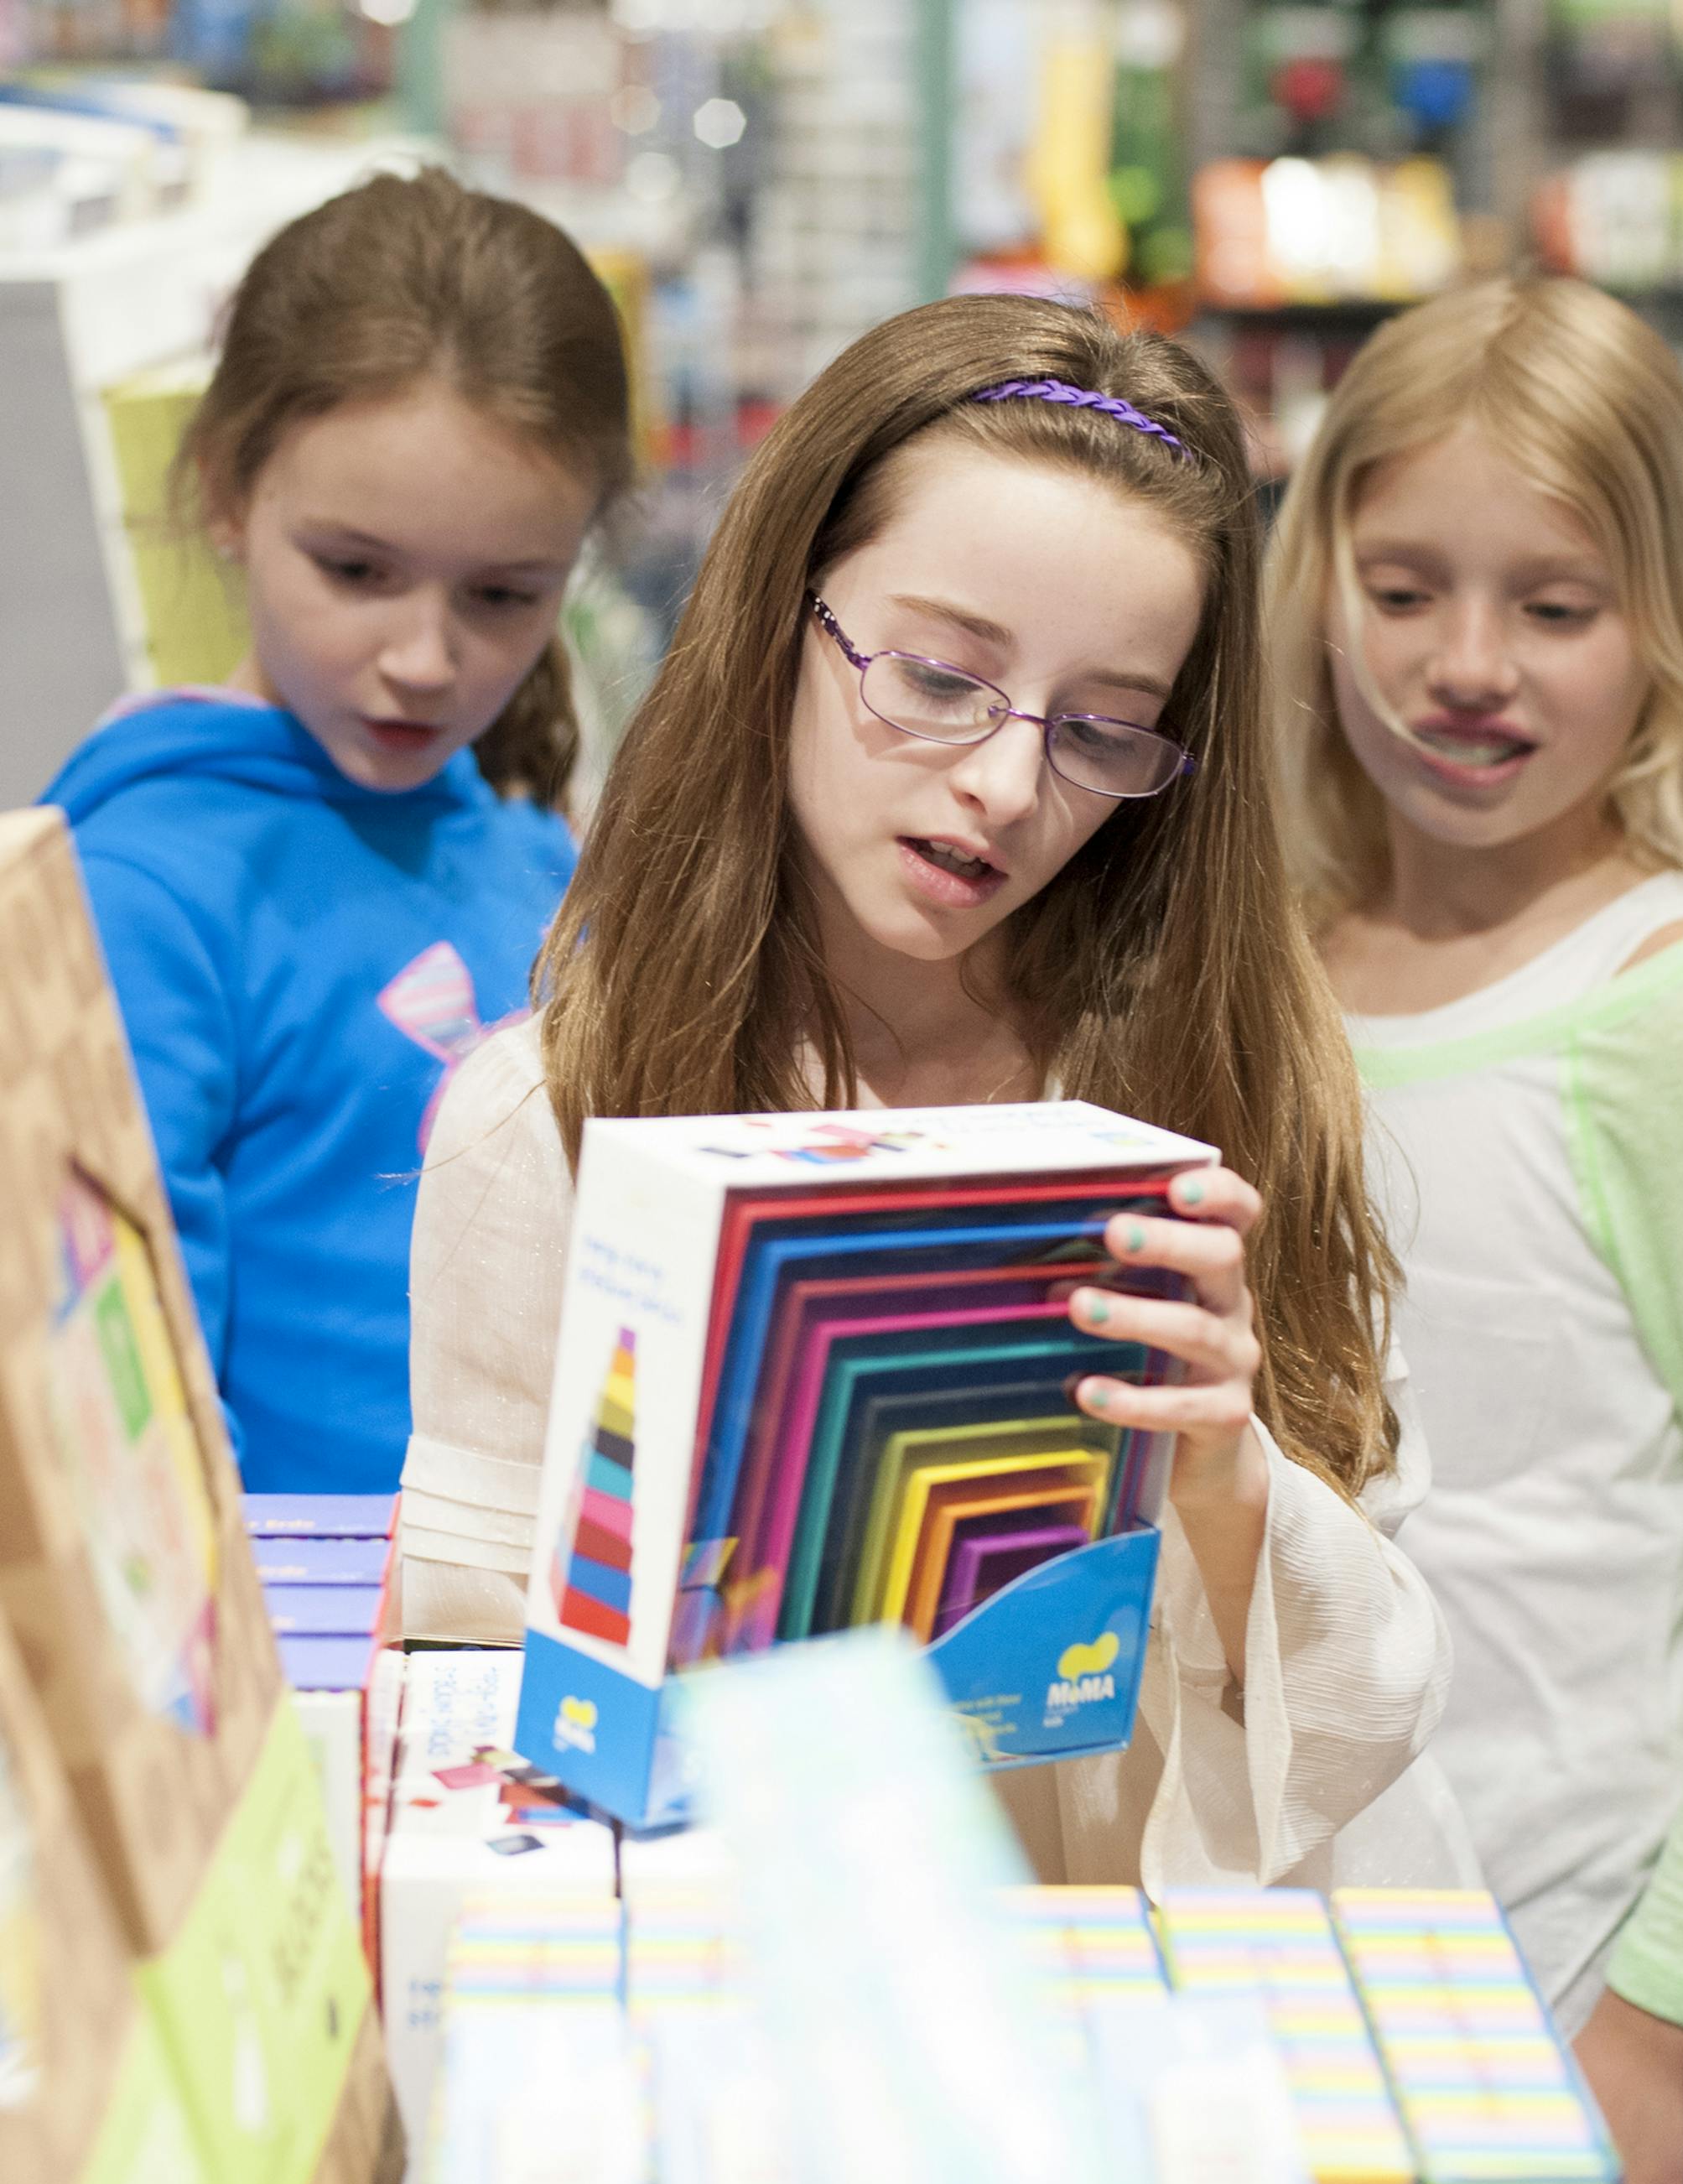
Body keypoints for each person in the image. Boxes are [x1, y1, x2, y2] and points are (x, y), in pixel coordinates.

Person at [401, 294, 1473, 1899]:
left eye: (1106, 728)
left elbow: (1361, 1704)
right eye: (935, 675)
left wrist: (1230, 1480)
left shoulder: (1231, 1090)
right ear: (782, 612)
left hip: (1147, 1997)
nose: (1005, 783)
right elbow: (477, 1688)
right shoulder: (554, 1119)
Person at [1270, 273, 1683, 2184]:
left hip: (1565, 1968)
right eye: (1404, 588)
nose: (1465, 665)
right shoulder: (1281, 973)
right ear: (1315, 578)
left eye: (1553, 607)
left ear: (1662, 624)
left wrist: (1663, 2027)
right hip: (1298, 1943)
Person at [44, 169, 630, 1490]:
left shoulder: (531, 850)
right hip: (306, 1665)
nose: (424, 659)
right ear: (224, 491)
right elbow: (139, 1418)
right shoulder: (135, 891)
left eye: (501, 593)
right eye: (356, 570)